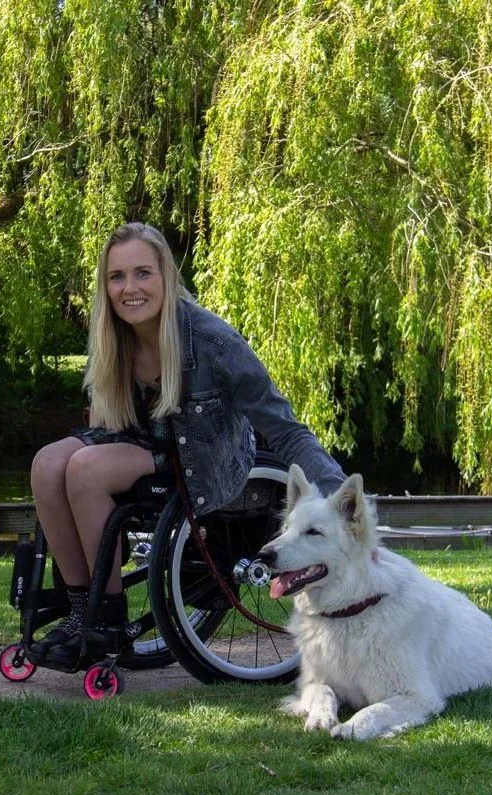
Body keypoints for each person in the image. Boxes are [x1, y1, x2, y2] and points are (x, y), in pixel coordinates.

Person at [28, 221, 346, 666]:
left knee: (86, 469)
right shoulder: (112, 334)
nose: (129, 288)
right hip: (135, 445)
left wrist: (345, 503)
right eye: (116, 277)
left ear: (166, 276)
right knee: (47, 464)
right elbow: (106, 424)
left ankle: (108, 619)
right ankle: (80, 611)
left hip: (201, 458)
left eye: (143, 273)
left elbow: (284, 428)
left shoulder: (213, 341)